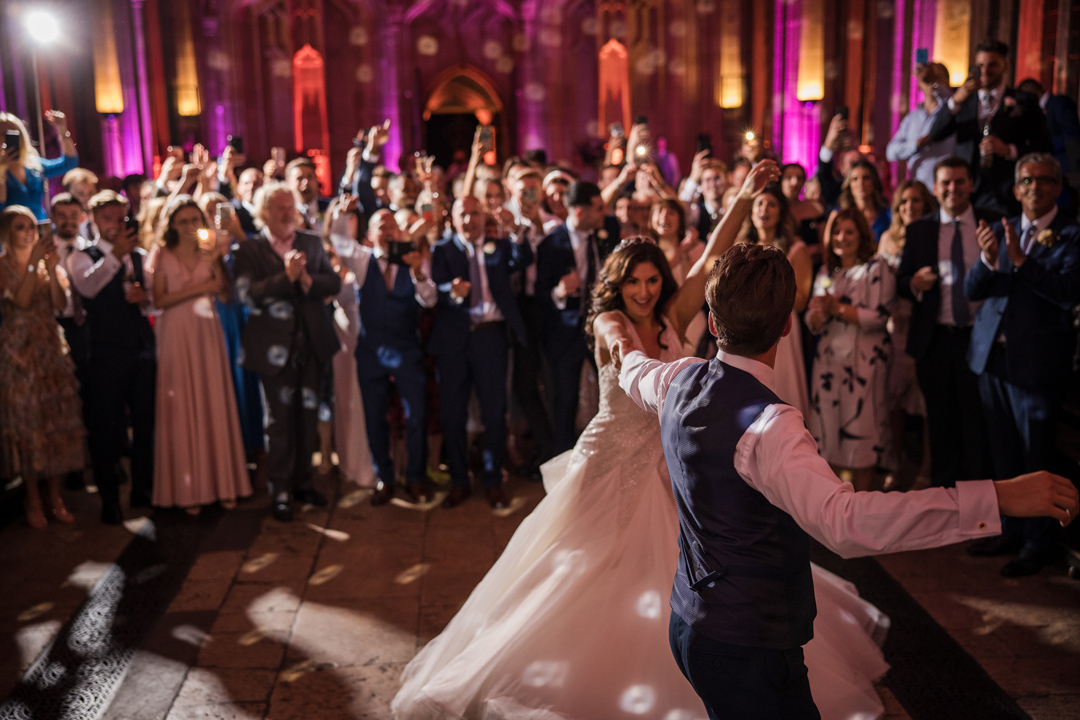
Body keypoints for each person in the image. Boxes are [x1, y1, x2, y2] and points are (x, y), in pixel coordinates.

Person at [393, 160, 902, 720]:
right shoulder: (609, 319)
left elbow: (711, 257)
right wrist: (627, 354)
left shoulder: (671, 313)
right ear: (618, 283)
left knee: (668, 569)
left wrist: (740, 198)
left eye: (652, 279)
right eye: (633, 281)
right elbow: (614, 343)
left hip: (662, 464)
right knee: (577, 579)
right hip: (608, 461)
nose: (643, 290)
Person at [619, 240, 1078, 720]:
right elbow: (847, 523)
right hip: (747, 649)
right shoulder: (770, 426)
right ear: (785, 325)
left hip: (689, 624)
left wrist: (620, 346)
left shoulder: (678, 378)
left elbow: (635, 371)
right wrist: (995, 497)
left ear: (713, 324)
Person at [965, 153, 1080, 576]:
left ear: (1058, 187)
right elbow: (972, 290)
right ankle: (1008, 529)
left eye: (1045, 180)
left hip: (1037, 365)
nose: (1035, 187)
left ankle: (1038, 542)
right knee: (1002, 454)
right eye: (1027, 181)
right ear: (1016, 189)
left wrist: (1021, 262)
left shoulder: (1071, 235)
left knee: (1036, 457)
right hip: (992, 359)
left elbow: (1069, 292)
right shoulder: (999, 228)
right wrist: (987, 260)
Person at [233, 182, 341, 522]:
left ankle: (303, 483)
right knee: (278, 422)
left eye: (290, 206)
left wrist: (307, 280)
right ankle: (279, 490)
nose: (287, 213)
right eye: (279, 207)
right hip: (272, 350)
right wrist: (287, 276)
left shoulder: (309, 241)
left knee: (308, 416)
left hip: (310, 344)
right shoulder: (250, 249)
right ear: (264, 212)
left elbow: (333, 282)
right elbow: (247, 295)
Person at [429, 196, 534, 509]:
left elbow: (523, 259)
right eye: (464, 213)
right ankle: (460, 481)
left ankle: (492, 480)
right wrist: (451, 292)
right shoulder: (443, 249)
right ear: (454, 218)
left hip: (491, 338)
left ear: (482, 217)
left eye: (475, 213)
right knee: (453, 413)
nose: (470, 219)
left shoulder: (500, 247)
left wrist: (515, 231)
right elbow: (435, 289)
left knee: (493, 412)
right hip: (454, 341)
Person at [148, 197, 251, 513]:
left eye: (195, 220)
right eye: (183, 221)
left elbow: (222, 288)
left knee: (212, 399)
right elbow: (160, 300)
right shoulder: (162, 253)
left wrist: (213, 274)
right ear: (172, 225)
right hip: (176, 332)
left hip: (207, 330)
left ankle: (224, 484)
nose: (190, 226)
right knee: (181, 403)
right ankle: (189, 489)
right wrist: (201, 286)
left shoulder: (209, 250)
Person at [897, 157, 989, 487]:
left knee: (977, 423)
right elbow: (901, 281)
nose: (953, 188)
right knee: (940, 424)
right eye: (946, 183)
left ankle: (978, 499)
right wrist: (912, 284)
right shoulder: (920, 229)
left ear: (971, 184)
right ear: (935, 188)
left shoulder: (989, 223)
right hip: (934, 340)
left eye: (959, 181)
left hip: (979, 339)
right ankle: (945, 501)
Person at [67, 191, 156, 524]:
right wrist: (115, 257)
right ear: (94, 220)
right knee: (104, 426)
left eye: (121, 219)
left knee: (146, 422)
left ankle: (143, 489)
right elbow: (88, 289)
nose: (116, 225)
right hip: (103, 353)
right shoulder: (81, 256)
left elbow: (154, 302)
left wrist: (143, 297)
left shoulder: (140, 255)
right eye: (109, 219)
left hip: (139, 348)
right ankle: (109, 499)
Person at [342, 208, 435, 506]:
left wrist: (418, 273)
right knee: (374, 417)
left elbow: (429, 298)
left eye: (392, 225)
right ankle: (385, 477)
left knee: (417, 415)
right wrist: (345, 217)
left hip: (406, 350)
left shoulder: (412, 258)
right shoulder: (361, 260)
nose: (387, 231)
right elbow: (337, 240)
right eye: (381, 226)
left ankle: (416, 477)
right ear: (370, 235)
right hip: (371, 352)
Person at [0, 206, 84, 528]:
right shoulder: (4, 266)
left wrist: (51, 269)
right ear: (8, 232)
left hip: (49, 346)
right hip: (19, 351)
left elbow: (61, 304)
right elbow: (19, 302)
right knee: (27, 424)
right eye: (22, 228)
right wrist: (35, 263)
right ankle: (32, 498)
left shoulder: (47, 264)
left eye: (33, 227)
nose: (30, 233)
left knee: (55, 423)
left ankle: (55, 496)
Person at [806, 209, 895, 491]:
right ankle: (835, 513)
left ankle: (864, 510)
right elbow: (812, 319)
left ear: (862, 235)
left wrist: (839, 309)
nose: (841, 238)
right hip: (829, 367)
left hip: (863, 367)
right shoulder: (827, 272)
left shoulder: (875, 268)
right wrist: (818, 316)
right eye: (836, 232)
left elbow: (879, 317)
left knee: (862, 436)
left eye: (849, 231)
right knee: (829, 437)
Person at [535, 181, 621, 453]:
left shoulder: (608, 230)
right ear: (580, 213)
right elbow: (539, 294)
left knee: (613, 393)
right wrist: (559, 293)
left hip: (602, 328)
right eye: (597, 209)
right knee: (565, 399)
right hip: (566, 332)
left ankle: (612, 452)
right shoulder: (550, 244)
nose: (603, 213)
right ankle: (564, 458)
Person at [927, 39, 1052, 217]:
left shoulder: (1024, 100)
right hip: (966, 191)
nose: (985, 70)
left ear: (1005, 66)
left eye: (992, 64)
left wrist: (1009, 150)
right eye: (980, 65)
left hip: (1006, 191)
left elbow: (1044, 148)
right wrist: (955, 101)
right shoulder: (963, 100)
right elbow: (936, 134)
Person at [198, 193, 267, 487]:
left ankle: (260, 458)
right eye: (209, 211)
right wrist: (213, 255)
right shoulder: (202, 245)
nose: (217, 217)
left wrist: (237, 235)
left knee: (249, 388)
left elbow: (262, 268)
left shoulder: (247, 243)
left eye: (222, 211)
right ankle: (232, 462)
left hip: (246, 322)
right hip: (218, 322)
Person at [877, 180, 935, 486]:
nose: (910, 207)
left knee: (926, 404)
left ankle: (926, 468)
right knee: (893, 402)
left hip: (924, 326)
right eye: (904, 202)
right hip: (895, 327)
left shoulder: (933, 234)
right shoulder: (887, 238)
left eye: (916, 201)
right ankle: (894, 463)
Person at [741, 183, 812, 416]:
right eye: (759, 203)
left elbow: (800, 301)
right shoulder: (741, 249)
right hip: (747, 327)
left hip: (782, 329)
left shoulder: (795, 249)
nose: (765, 209)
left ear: (781, 212)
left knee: (782, 391)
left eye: (771, 204)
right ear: (751, 211)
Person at [321, 195, 377, 489]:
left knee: (369, 398)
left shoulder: (366, 252)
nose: (350, 220)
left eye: (355, 215)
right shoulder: (329, 253)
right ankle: (351, 462)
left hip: (369, 331)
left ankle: (373, 461)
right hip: (343, 330)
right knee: (347, 398)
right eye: (345, 216)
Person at [886, 62, 956, 190]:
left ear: (947, 81)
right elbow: (890, 152)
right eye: (926, 77)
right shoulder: (912, 117)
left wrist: (935, 84)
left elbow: (952, 100)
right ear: (919, 84)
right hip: (919, 191)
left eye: (937, 75)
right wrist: (915, 145)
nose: (931, 80)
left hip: (946, 190)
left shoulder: (953, 111)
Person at [0, 112, 78, 220]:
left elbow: (69, 163)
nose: (5, 139)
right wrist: (1, 169)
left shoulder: (34, 165)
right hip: (13, 230)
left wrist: (62, 129)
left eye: (13, 133)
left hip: (40, 226)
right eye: (2, 134)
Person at [836, 159, 891, 241]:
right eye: (855, 179)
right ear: (849, 184)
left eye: (866, 178)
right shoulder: (839, 215)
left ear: (874, 181)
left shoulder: (888, 214)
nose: (860, 183)